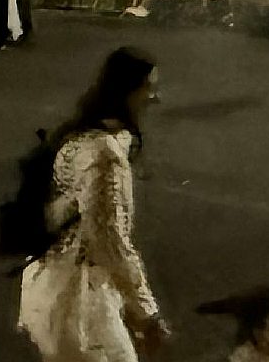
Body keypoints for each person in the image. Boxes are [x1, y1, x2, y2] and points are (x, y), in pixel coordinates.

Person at [17, 47, 166, 362]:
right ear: (128, 92)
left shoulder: (81, 136)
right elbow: (107, 238)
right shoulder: (103, 154)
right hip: (80, 302)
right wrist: (146, 310)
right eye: (148, 89)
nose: (154, 99)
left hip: (57, 285)